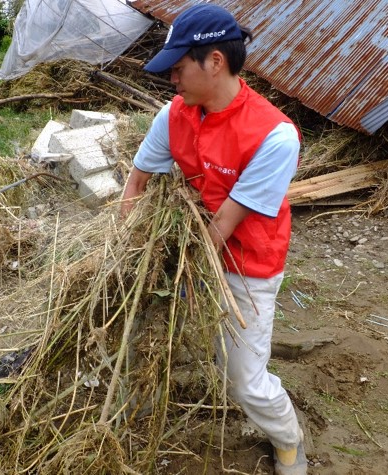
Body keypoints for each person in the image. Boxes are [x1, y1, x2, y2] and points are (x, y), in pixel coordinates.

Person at [120, 4, 307, 475]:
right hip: (192, 248)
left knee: (244, 381)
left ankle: (288, 441)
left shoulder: (275, 136)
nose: (172, 80)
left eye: (179, 69)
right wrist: (124, 250)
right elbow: (136, 183)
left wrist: (178, 267)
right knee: (139, 328)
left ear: (216, 62)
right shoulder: (175, 113)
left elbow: (223, 225)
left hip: (247, 263)